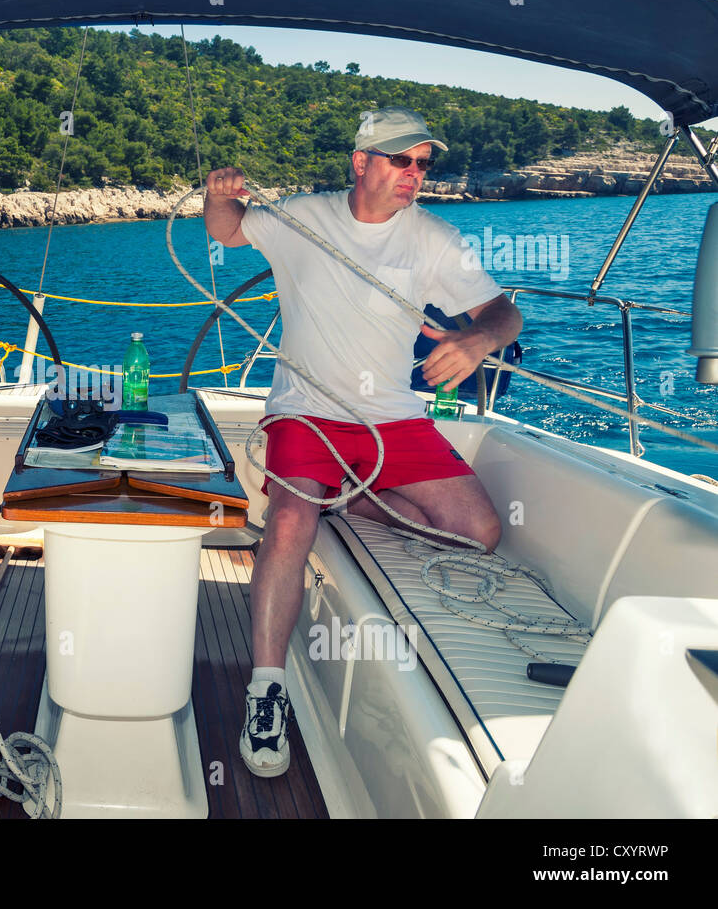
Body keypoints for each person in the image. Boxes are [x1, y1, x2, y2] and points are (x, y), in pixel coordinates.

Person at [203, 106, 523, 778]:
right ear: (361, 162)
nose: (415, 174)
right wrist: (217, 196)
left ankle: (346, 500)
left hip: (393, 419)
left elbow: (504, 309)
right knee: (289, 522)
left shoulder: (433, 238)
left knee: (481, 530)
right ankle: (266, 688)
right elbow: (228, 232)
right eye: (402, 160)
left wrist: (480, 337)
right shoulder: (302, 218)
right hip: (307, 410)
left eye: (423, 164)